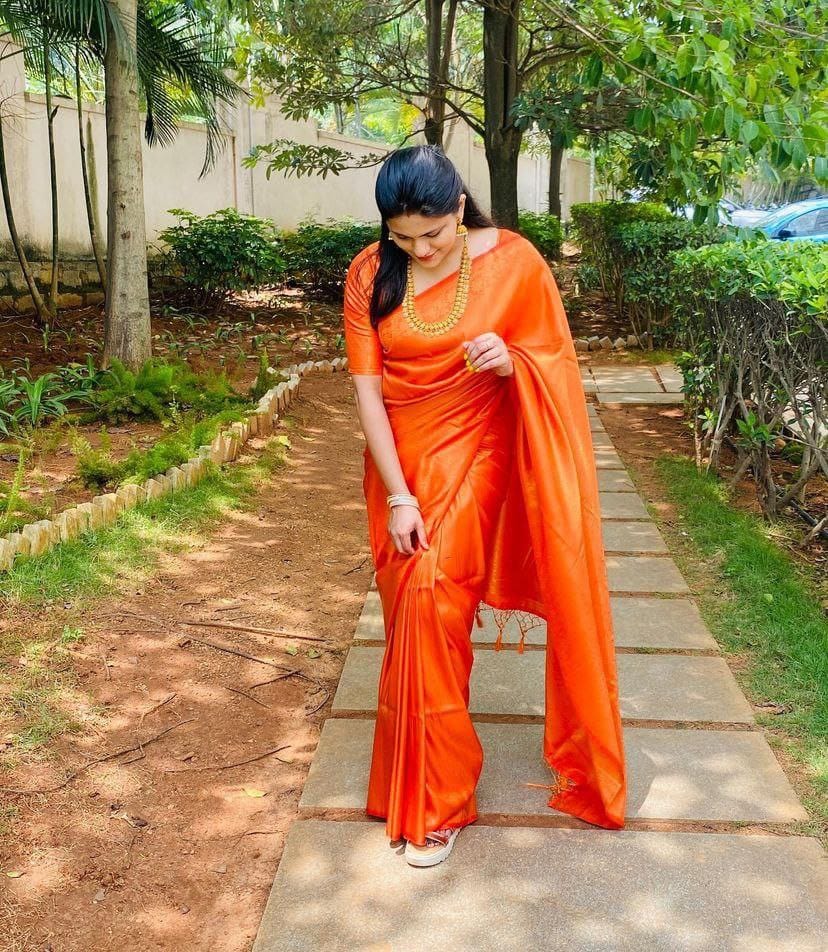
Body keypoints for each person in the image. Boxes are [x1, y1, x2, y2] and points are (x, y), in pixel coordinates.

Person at [342, 144, 626, 869]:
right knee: (413, 619)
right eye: (402, 236)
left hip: (478, 448)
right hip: (399, 465)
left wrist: (512, 360)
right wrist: (399, 494)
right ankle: (413, 778)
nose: (419, 250)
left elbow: (552, 361)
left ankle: (437, 805)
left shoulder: (516, 262)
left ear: (460, 208)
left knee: (436, 597)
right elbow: (368, 393)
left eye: (433, 234)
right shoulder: (370, 273)